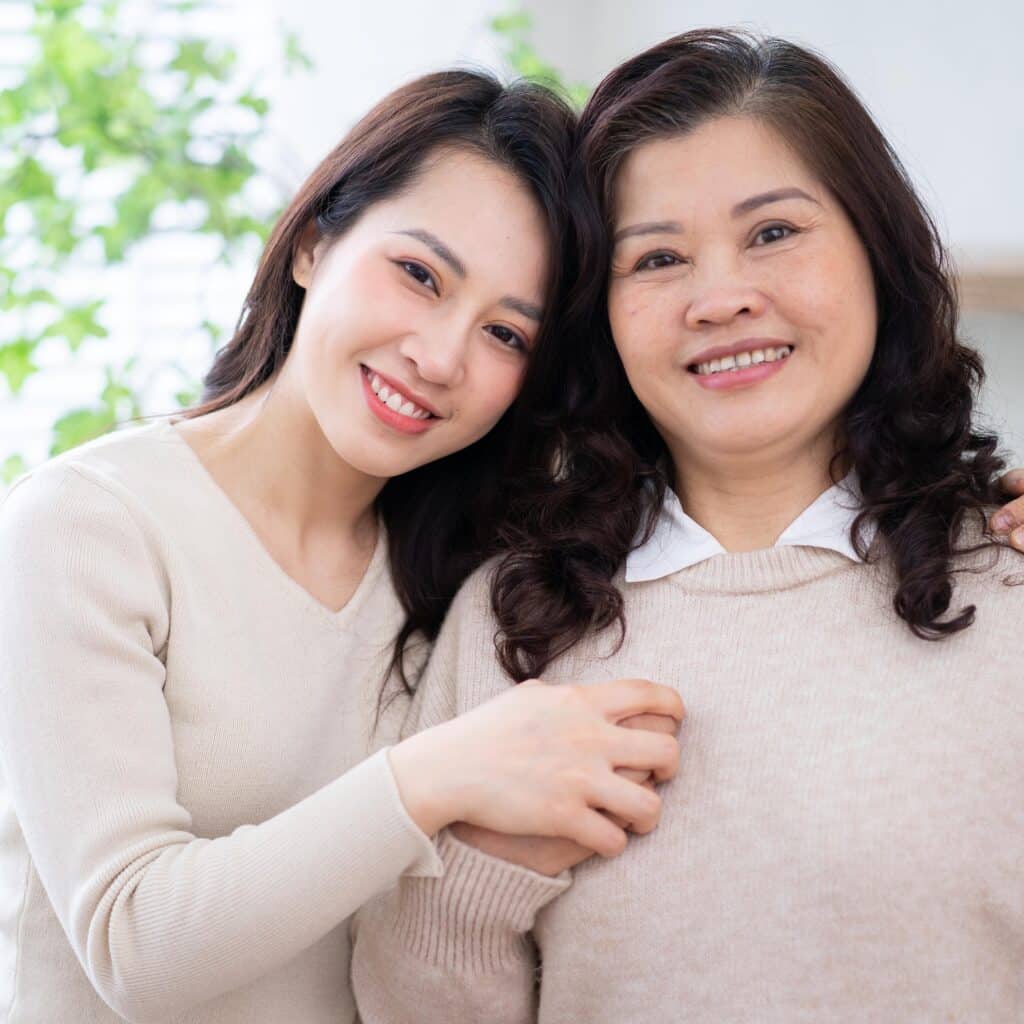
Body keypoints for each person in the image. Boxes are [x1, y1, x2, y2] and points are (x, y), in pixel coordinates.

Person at [350, 31, 1024, 1023]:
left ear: (876, 254)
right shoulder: (516, 623)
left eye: (773, 233)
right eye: (658, 257)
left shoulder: (1007, 578)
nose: (720, 299)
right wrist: (483, 864)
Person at [0, 70, 685, 1024]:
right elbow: (133, 943)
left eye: (503, 332)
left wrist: (939, 506)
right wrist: (439, 771)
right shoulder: (87, 525)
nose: (440, 356)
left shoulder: (467, 576)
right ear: (315, 243)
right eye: (419, 274)